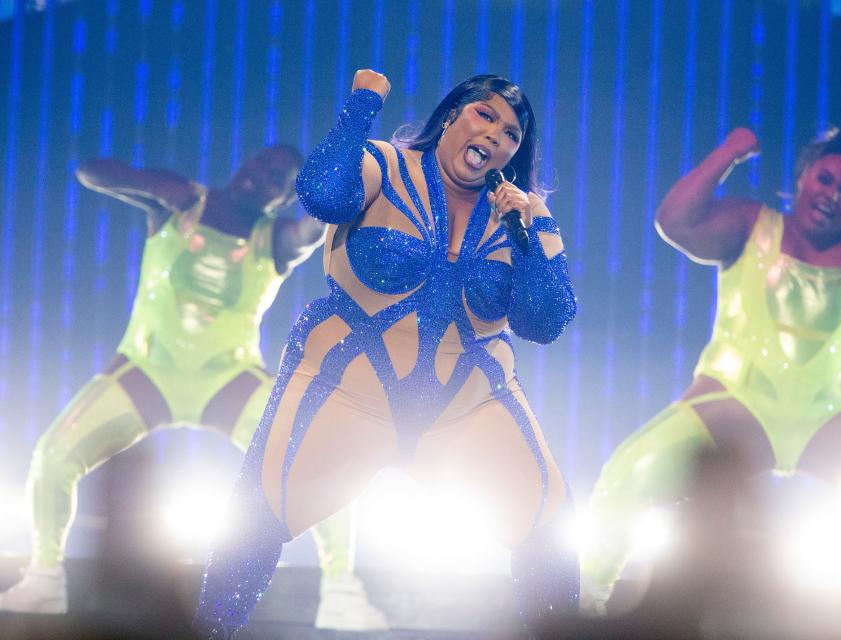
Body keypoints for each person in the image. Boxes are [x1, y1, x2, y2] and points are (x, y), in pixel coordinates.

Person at [191, 69, 579, 638]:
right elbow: (324, 194)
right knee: (253, 523)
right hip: (343, 391)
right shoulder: (386, 164)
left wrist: (531, 231)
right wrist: (361, 105)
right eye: (485, 115)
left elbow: (544, 322)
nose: (496, 135)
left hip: (465, 409)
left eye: (512, 134)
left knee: (549, 528)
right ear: (451, 116)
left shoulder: (523, 216)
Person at [0, 145, 389, 631]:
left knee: (322, 461)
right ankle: (44, 578)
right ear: (243, 162)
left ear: (284, 198)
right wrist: (153, 185)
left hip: (230, 379)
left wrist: (349, 193)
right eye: (262, 164)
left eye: (278, 179)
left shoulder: (278, 240)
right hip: (146, 370)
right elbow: (89, 172)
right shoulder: (180, 202)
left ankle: (341, 591)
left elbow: (319, 228)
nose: (263, 176)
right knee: (54, 455)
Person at [580, 128, 841, 615]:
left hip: (837, 415)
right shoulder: (751, 223)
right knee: (626, 474)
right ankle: (584, 612)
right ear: (803, 177)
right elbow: (674, 221)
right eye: (825, 180)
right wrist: (728, 153)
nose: (832, 196)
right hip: (735, 404)